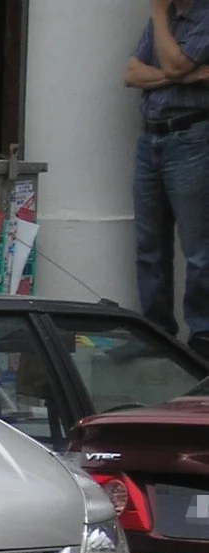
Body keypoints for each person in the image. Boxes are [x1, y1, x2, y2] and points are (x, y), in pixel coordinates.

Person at [126, 0, 209, 357]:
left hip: (191, 136)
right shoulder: (166, 17)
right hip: (151, 138)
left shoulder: (201, 16)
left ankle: (203, 335)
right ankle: (157, 332)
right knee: (149, 245)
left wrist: (158, 13)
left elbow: (174, 63)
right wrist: (189, 75)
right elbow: (131, 74)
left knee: (198, 247)